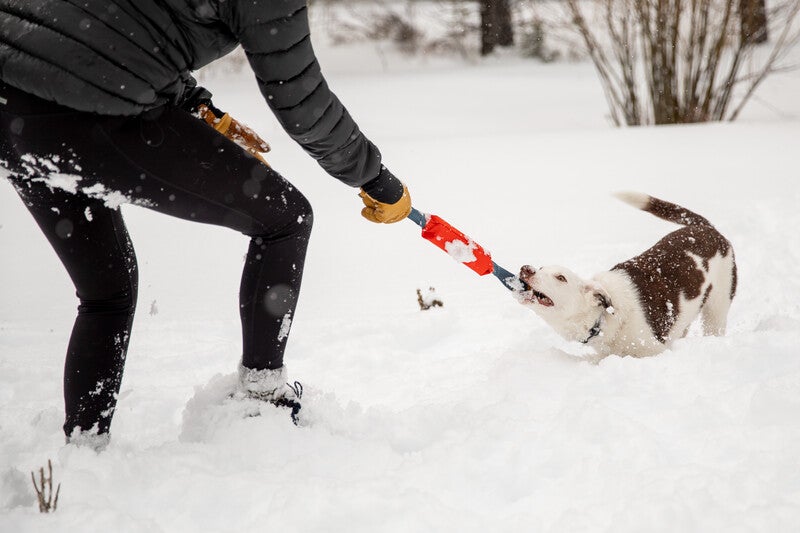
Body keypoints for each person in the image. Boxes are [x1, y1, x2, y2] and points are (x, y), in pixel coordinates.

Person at [0, 0, 412, 446]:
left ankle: (84, 449)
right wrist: (373, 178)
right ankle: (262, 397)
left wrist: (196, 105)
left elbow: (111, 23)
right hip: (90, 111)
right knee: (286, 219)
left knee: (107, 293)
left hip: (11, 107)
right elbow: (299, 97)